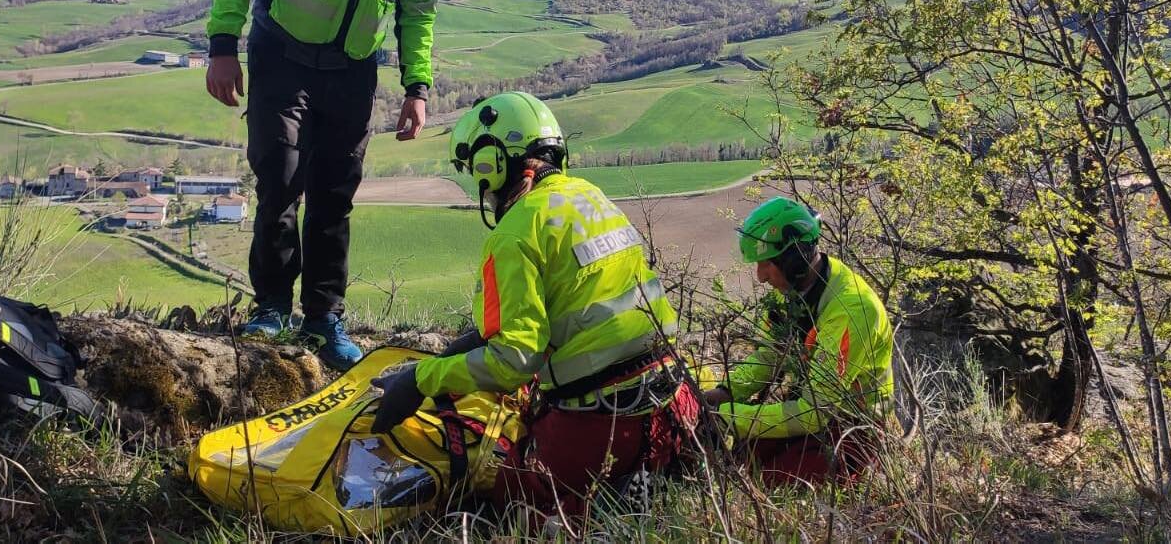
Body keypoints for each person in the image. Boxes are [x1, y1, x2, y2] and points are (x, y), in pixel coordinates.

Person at [203, 0, 455, 371]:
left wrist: (417, 86)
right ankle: (272, 307)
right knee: (281, 177)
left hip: (352, 68)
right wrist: (222, 46)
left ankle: (323, 318)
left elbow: (418, 9)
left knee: (334, 194)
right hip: (282, 54)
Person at [368, 91, 700, 514]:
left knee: (509, 501)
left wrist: (420, 380)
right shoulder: (591, 197)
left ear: (491, 164)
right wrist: (450, 355)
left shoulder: (515, 233)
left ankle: (600, 503)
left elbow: (513, 363)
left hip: (600, 425)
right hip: (675, 405)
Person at [699, 196, 895, 486]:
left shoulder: (851, 310)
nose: (760, 277)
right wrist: (726, 392)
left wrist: (731, 417)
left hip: (854, 425)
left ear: (794, 260)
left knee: (775, 477)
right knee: (747, 455)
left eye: (766, 264)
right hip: (812, 410)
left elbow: (816, 411)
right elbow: (769, 355)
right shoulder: (794, 290)